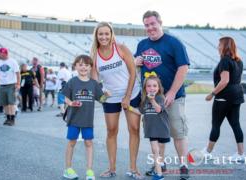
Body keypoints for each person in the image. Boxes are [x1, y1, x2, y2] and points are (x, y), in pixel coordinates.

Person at [135, 11, 190, 179]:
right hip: (152, 98)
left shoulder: (174, 43)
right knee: (158, 132)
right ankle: (160, 164)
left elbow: (183, 68)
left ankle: (183, 165)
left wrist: (172, 91)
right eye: (146, 25)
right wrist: (135, 61)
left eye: (152, 24)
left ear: (160, 23)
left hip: (172, 96)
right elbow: (138, 68)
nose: (150, 28)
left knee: (177, 131)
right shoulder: (142, 44)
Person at [90, 22, 143, 179]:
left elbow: (133, 72)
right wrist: (102, 96)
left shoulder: (121, 48)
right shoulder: (95, 55)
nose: (104, 37)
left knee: (134, 129)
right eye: (101, 34)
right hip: (111, 98)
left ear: (111, 34)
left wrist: (126, 97)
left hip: (131, 94)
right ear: (97, 36)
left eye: (107, 33)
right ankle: (111, 168)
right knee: (111, 131)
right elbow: (95, 83)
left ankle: (133, 169)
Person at [62, 55, 109, 180]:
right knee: (71, 142)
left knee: (88, 143)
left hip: (88, 121)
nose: (83, 67)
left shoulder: (94, 84)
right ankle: (68, 169)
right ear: (75, 66)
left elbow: (102, 100)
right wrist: (71, 103)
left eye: (86, 65)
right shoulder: (72, 81)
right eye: (81, 64)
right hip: (73, 119)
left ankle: (89, 171)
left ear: (90, 68)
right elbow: (65, 97)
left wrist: (107, 95)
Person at [202, 37, 245, 162]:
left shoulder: (225, 61)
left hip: (224, 97)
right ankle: (240, 154)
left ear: (225, 46)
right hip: (237, 95)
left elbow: (225, 81)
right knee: (236, 124)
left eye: (219, 44)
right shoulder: (239, 61)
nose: (218, 47)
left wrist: (212, 93)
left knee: (216, 124)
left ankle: (208, 152)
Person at [130, 72, 170, 180]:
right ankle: (159, 174)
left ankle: (159, 168)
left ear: (158, 87)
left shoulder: (160, 97)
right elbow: (140, 111)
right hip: (152, 130)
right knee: (155, 150)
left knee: (159, 151)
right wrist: (128, 107)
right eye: (149, 86)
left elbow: (158, 109)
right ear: (145, 88)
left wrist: (152, 100)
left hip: (162, 129)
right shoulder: (145, 100)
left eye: (154, 86)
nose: (151, 88)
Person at [0, 47, 20, 126]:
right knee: (4, 103)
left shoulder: (12, 61)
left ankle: (12, 119)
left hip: (11, 84)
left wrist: (18, 83)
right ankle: (8, 118)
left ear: (4, 53)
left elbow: (18, 73)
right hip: (2, 85)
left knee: (11, 103)